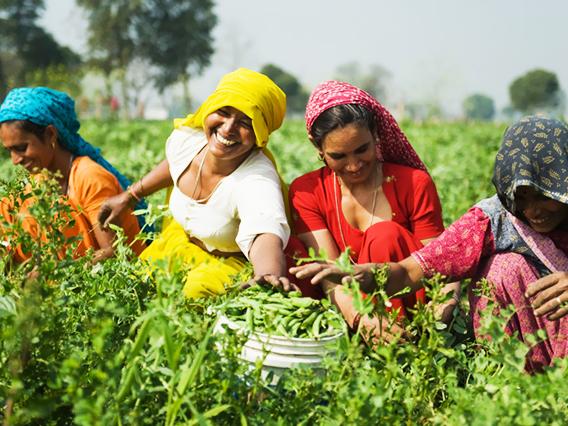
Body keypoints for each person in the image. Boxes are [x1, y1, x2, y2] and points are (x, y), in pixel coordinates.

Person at [301, 115, 568, 371]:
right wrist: (362, 275)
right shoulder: (494, 219)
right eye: (520, 198)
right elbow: (412, 270)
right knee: (501, 269)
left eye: (544, 196)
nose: (533, 212)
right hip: (540, 339)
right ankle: (517, 381)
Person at [98, 68, 298, 299]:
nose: (228, 128)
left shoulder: (256, 180)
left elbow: (265, 231)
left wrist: (267, 274)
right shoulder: (190, 139)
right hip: (180, 246)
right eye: (223, 112)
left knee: (195, 292)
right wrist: (129, 196)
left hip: (226, 265)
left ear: (259, 135)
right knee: (135, 285)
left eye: (245, 122)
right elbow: (175, 164)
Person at [288, 80, 458, 342]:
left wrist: (442, 311)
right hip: (351, 305)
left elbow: (439, 263)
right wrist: (361, 319)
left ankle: (406, 342)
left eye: (362, 150)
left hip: (413, 302)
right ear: (317, 147)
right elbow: (329, 275)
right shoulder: (307, 191)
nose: (354, 165)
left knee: (385, 235)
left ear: (375, 135)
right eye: (339, 156)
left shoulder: (413, 183)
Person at [0, 87, 146, 263]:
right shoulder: (37, 182)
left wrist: (53, 272)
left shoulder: (90, 177)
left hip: (115, 281)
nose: (15, 160)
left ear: (50, 134)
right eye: (9, 151)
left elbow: (112, 254)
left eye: (21, 148)